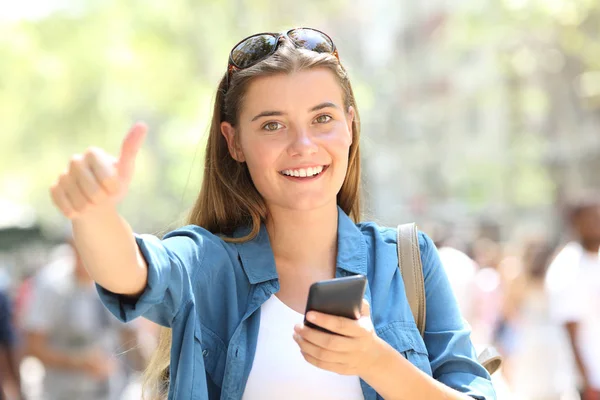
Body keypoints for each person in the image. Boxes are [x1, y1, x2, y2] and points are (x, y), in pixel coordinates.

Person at [48, 28, 495, 400]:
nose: (303, 146)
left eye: (322, 118)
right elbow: (132, 271)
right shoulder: (210, 264)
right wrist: (93, 212)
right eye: (272, 125)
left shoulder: (405, 258)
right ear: (234, 141)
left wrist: (375, 362)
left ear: (350, 125)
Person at [22, 239, 146, 400]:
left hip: (113, 392)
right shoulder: (51, 285)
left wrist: (155, 376)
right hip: (63, 393)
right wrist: (78, 363)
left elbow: (131, 337)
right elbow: (32, 346)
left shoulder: (116, 282)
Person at [545, 195, 600, 400]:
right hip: (587, 382)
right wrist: (588, 383)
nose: (598, 222)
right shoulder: (567, 267)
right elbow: (570, 331)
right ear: (576, 222)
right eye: (592, 217)